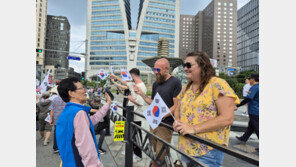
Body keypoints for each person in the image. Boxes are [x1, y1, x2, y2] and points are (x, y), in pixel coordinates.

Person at [172, 51, 240, 167]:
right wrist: (177, 120)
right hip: (186, 147)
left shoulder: (217, 84)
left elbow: (227, 118)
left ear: (203, 65)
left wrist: (193, 128)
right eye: (184, 65)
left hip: (207, 149)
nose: (185, 68)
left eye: (189, 65)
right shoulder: (186, 87)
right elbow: (178, 105)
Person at [134, 58, 182, 167]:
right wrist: (141, 94)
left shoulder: (175, 82)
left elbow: (176, 105)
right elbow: (152, 103)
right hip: (153, 123)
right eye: (154, 69)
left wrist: (162, 116)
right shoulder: (156, 83)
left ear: (167, 69)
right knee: (154, 153)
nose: (155, 71)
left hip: (165, 125)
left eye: (158, 69)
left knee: (161, 155)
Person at [56, 77, 112, 167]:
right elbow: (86, 148)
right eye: (81, 88)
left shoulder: (69, 111)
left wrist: (108, 103)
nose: (85, 90)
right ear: (71, 93)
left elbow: (91, 121)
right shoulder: (79, 113)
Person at [110, 68, 147, 162]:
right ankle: (132, 152)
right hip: (130, 114)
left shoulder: (141, 86)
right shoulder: (133, 84)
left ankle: (138, 155)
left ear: (133, 75)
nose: (128, 78)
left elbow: (140, 102)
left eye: (130, 76)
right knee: (131, 134)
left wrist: (130, 98)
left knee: (137, 135)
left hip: (136, 115)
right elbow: (124, 83)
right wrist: (114, 77)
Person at [236, 74, 259, 150]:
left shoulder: (254, 87)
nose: (249, 81)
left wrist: (237, 105)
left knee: (257, 128)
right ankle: (244, 138)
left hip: (255, 111)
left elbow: (248, 99)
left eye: (250, 79)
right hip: (257, 111)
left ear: (253, 79)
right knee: (251, 126)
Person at [49, 86, 66, 153]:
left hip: (56, 118)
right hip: (64, 118)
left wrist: (51, 119)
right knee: (64, 132)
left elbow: (51, 110)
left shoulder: (55, 99)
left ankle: (56, 147)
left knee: (56, 132)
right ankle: (63, 147)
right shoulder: (67, 99)